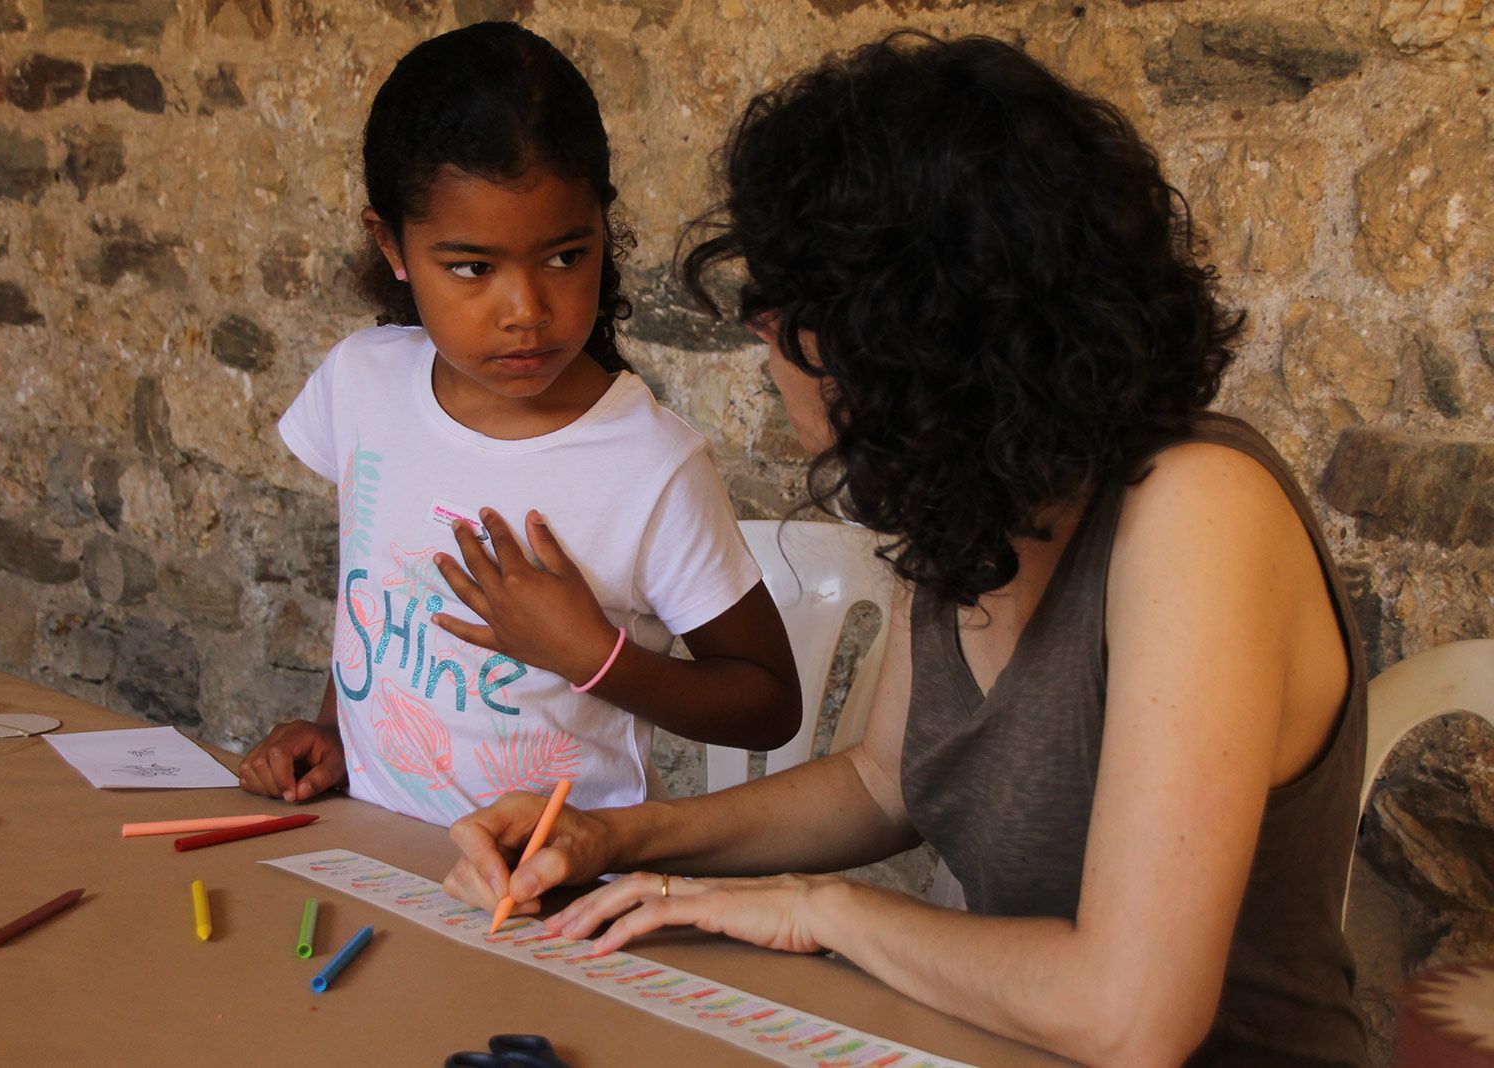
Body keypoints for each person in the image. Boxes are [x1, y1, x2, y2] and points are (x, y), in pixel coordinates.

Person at [443, 31, 1368, 1066]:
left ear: (898, 328)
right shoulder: (974, 494)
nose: (762, 342)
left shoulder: (1199, 511)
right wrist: (613, 842)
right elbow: (886, 782)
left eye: (779, 308)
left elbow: (1131, 1015)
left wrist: (815, 913)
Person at [237, 22, 800, 828]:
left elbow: (769, 703)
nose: (527, 312)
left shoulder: (648, 466)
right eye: (472, 268)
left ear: (603, 230)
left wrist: (593, 658)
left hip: (554, 892)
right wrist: (331, 730)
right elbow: (376, 598)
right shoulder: (361, 384)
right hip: (381, 853)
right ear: (391, 244)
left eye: (566, 257)